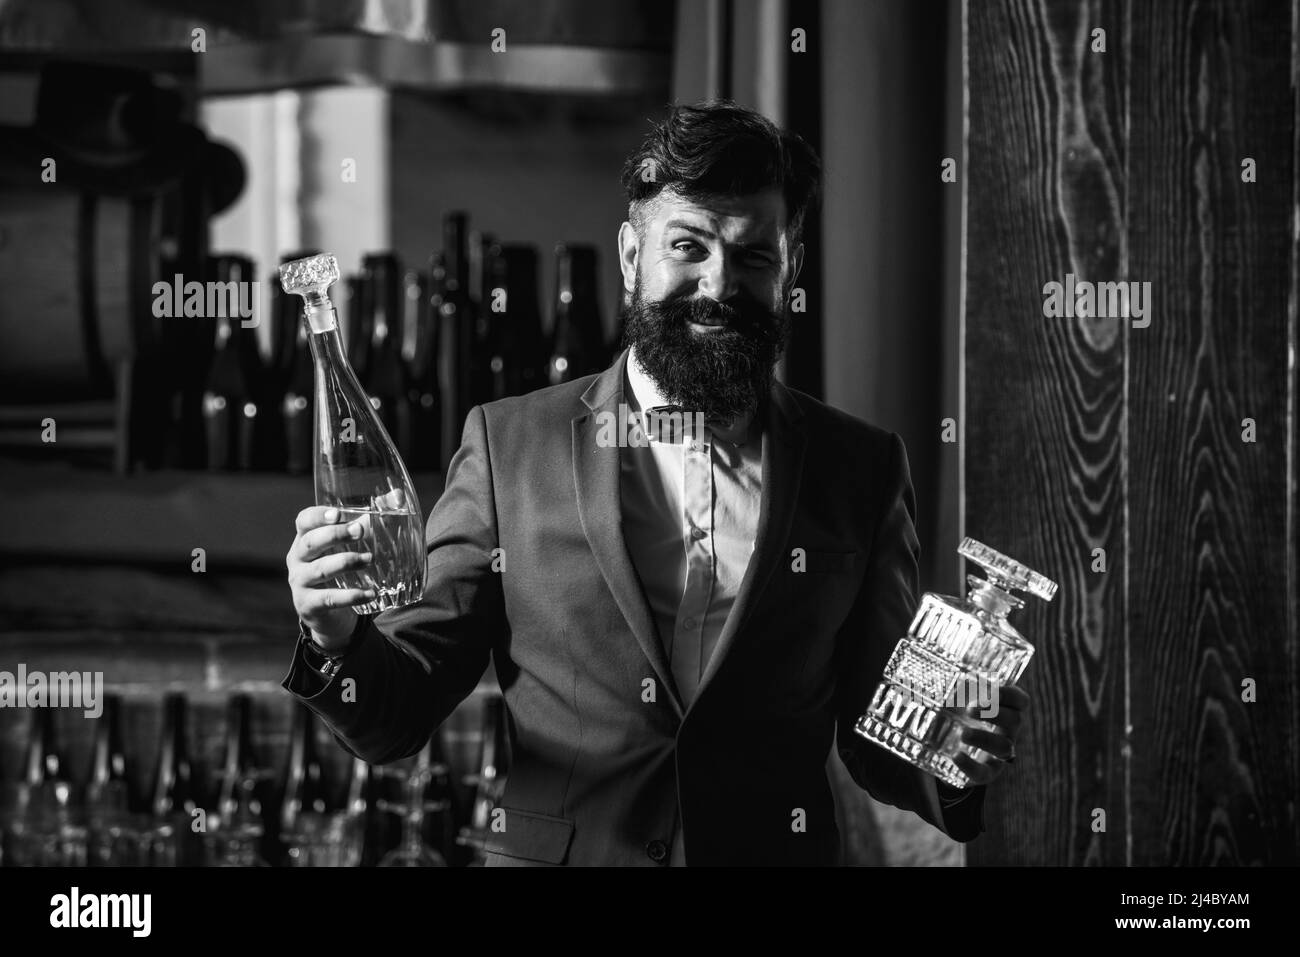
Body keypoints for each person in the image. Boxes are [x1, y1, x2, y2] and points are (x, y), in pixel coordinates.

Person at [282, 99, 1028, 866]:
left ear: (790, 270)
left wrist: (954, 751)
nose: (717, 284)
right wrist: (332, 635)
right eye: (689, 246)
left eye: (753, 257)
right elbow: (399, 709)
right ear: (632, 257)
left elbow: (880, 736)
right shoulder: (508, 446)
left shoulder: (860, 468)